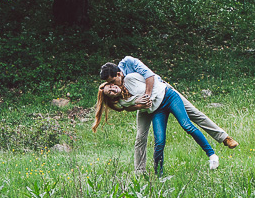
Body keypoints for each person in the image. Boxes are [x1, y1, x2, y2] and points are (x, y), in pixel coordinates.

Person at [99, 57, 238, 174]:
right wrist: (140, 105)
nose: (110, 85)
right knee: (141, 136)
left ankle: (224, 138)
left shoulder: (129, 63)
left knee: (194, 115)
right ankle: (140, 171)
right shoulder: (117, 91)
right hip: (145, 106)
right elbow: (126, 106)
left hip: (160, 91)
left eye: (112, 82)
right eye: (108, 83)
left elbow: (150, 76)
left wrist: (147, 97)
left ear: (118, 74)